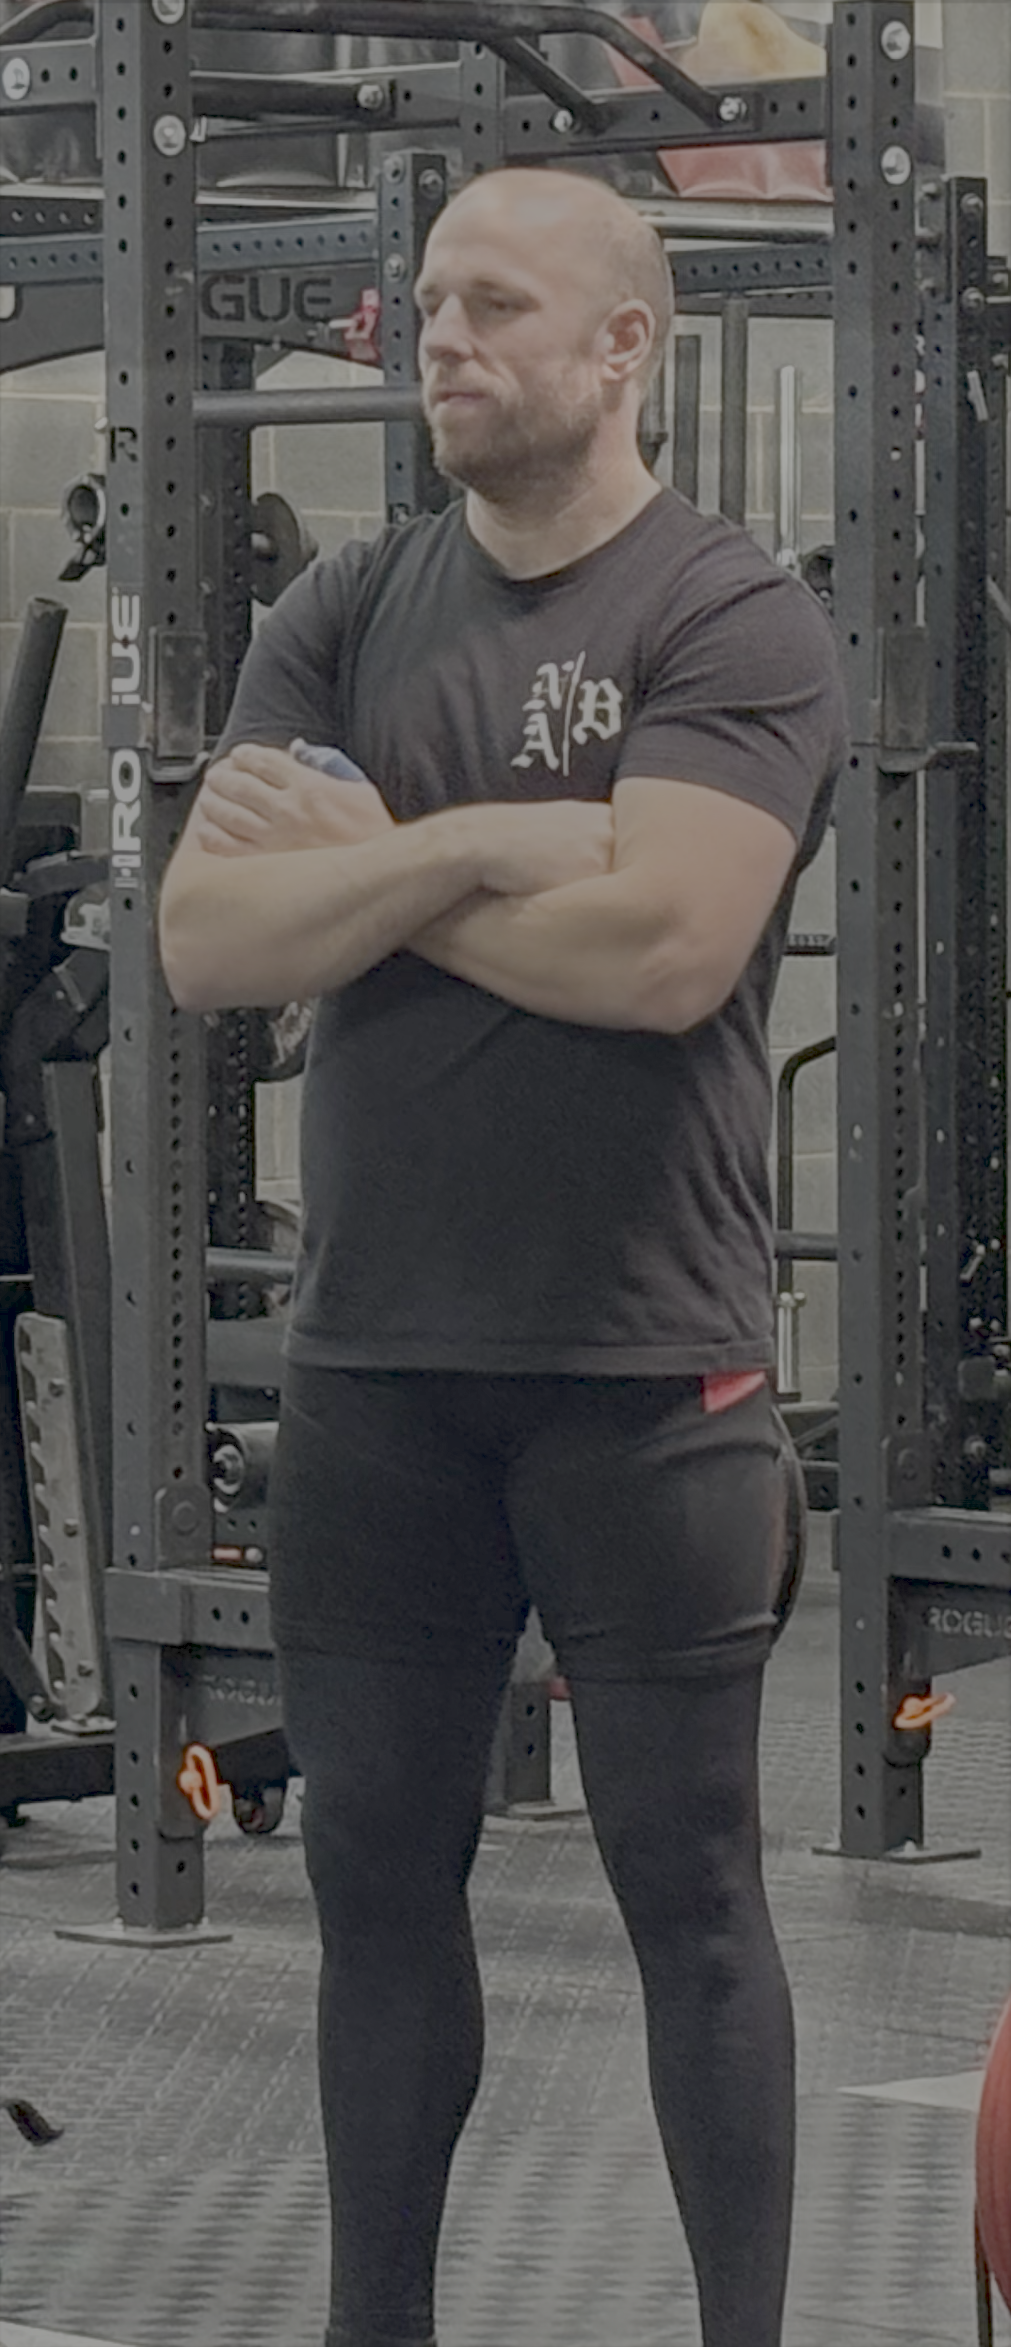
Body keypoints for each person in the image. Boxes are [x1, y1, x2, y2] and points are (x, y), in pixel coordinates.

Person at [159, 167, 847, 2347]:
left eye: (490, 306)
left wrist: (366, 872)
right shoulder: (347, 608)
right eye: (424, 305)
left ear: (622, 343)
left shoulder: (726, 616)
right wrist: (463, 845)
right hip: (380, 1384)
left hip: (644, 1379)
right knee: (376, 1887)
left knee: (693, 1899)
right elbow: (206, 940)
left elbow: (664, 949)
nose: (435, 340)